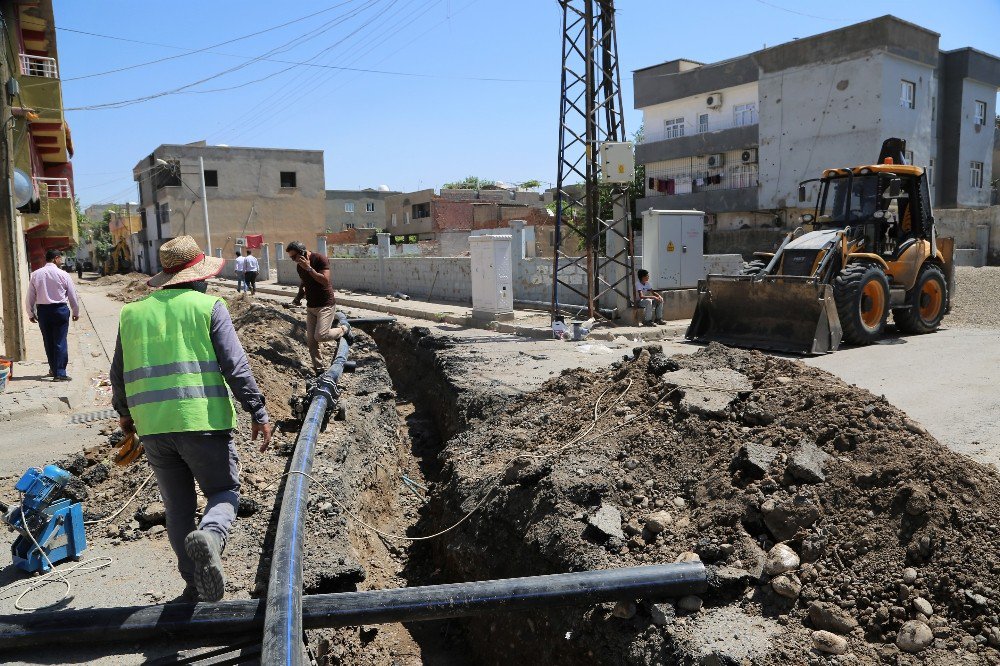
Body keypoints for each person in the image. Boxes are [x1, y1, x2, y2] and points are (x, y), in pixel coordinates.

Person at [110, 235, 272, 602]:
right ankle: (212, 539)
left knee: (178, 508)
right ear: (196, 276)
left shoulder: (131, 313)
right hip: (203, 422)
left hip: (153, 427)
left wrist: (125, 417)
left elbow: (117, 373)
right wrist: (258, 411)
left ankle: (193, 584)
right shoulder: (209, 306)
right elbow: (236, 367)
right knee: (223, 492)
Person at [286, 241, 346, 374]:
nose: (293, 260)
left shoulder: (319, 259)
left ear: (302, 252)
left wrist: (309, 268)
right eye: (291, 258)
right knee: (312, 342)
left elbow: (325, 280)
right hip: (311, 306)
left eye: (294, 257)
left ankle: (342, 330)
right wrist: (298, 297)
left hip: (325, 304)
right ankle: (319, 369)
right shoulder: (299, 267)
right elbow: (304, 283)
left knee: (321, 335)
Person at [26, 248, 80, 381]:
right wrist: (75, 311)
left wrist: (30, 313)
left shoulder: (35, 274)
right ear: (56, 259)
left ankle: (54, 369)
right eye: (60, 258)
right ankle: (60, 373)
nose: (61, 261)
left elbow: (30, 297)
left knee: (48, 341)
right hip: (60, 310)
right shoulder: (63, 274)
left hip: (43, 311)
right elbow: (73, 295)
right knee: (60, 341)